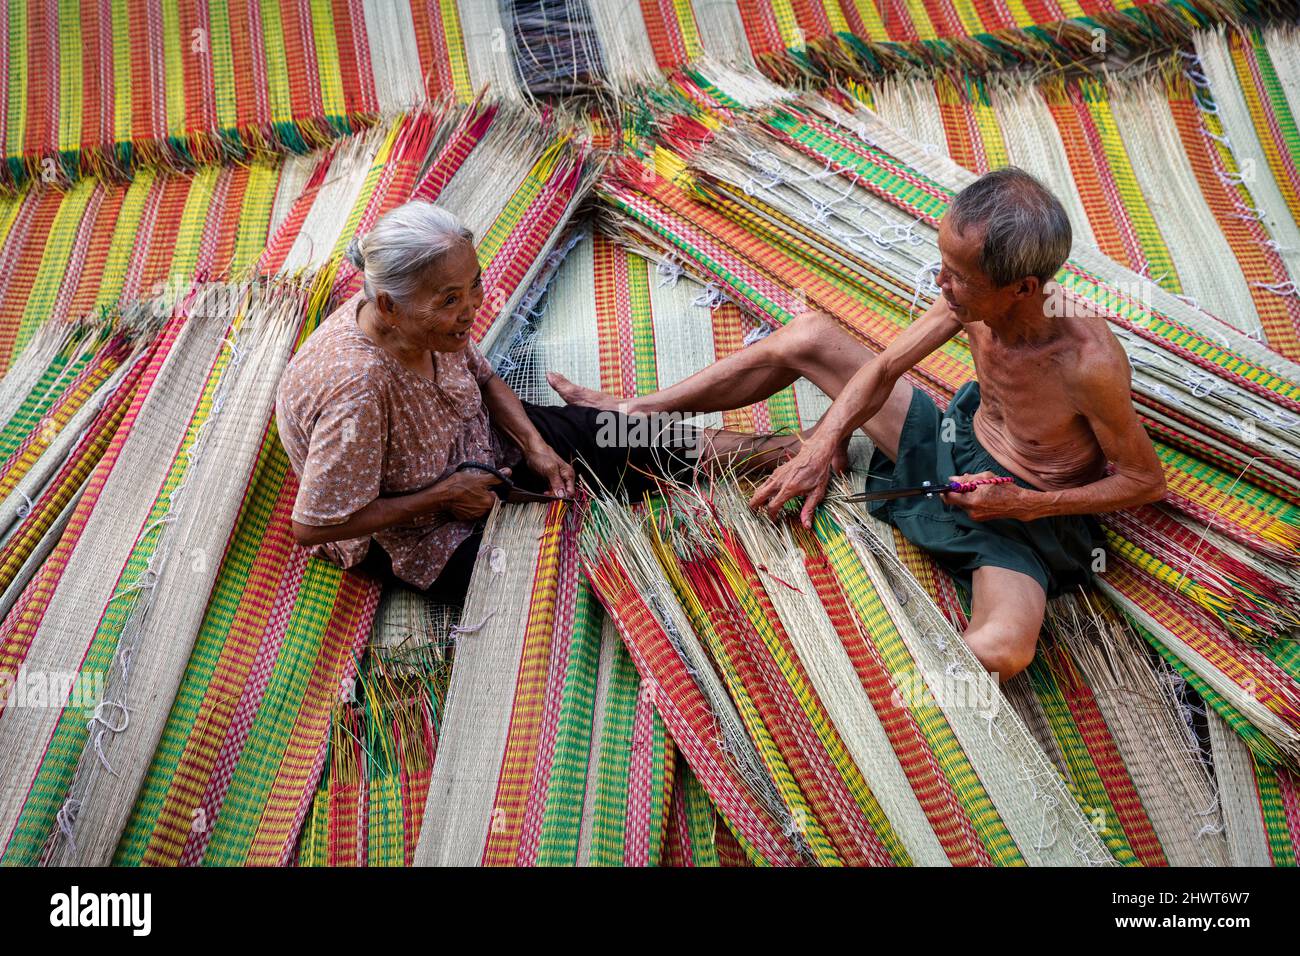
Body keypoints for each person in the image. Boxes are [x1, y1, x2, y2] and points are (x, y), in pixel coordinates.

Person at [546, 168, 1167, 681]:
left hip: (1022, 519)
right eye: (942, 266)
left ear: (1023, 288)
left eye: (958, 278)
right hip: (952, 443)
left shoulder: (1087, 363)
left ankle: (883, 705)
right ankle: (639, 412)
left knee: (1003, 651)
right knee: (811, 335)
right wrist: (824, 442)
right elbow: (886, 366)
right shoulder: (970, 300)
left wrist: (1027, 506)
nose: (940, 284)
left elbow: (1144, 481)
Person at [274, 200, 832, 605]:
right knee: (552, 589)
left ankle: (783, 450)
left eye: (475, 285)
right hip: (420, 529)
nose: (472, 309)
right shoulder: (355, 388)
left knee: (621, 433)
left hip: (485, 447)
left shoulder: (424, 319)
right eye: (451, 300)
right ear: (389, 307)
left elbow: (487, 379)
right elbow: (317, 525)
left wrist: (536, 448)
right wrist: (444, 495)